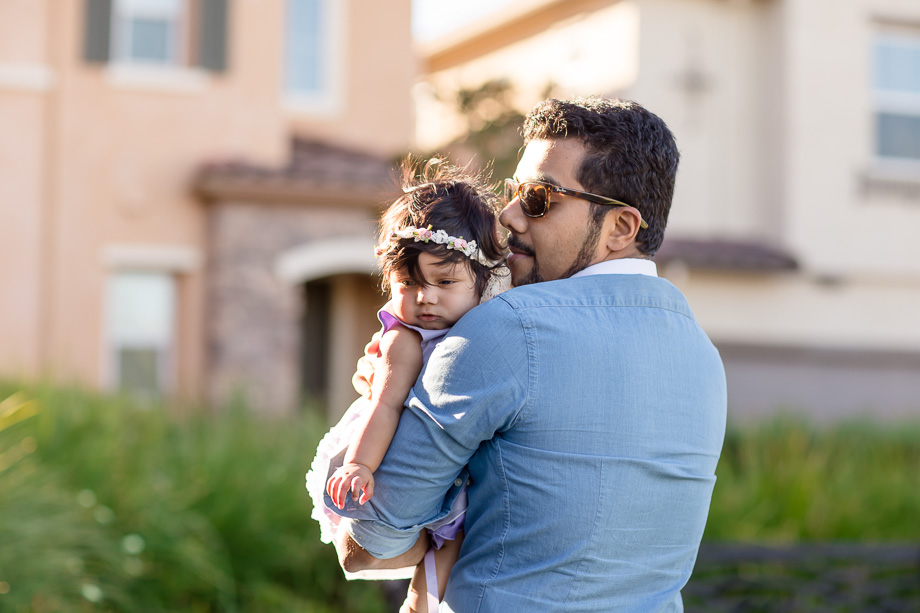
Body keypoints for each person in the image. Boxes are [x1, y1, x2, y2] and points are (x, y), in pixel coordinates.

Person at [330, 97, 728, 612]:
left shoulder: (505, 328)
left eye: (540, 198)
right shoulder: (703, 354)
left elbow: (368, 543)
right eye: (515, 192)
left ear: (621, 228)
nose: (510, 215)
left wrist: (385, 395)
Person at [305, 158, 509, 612]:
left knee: (453, 549)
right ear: (389, 280)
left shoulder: (483, 327)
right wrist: (359, 465)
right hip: (382, 452)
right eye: (409, 283)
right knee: (442, 543)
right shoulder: (405, 340)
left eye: (445, 281)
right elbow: (385, 405)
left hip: (447, 470)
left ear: (482, 280)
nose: (426, 296)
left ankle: (420, 601)